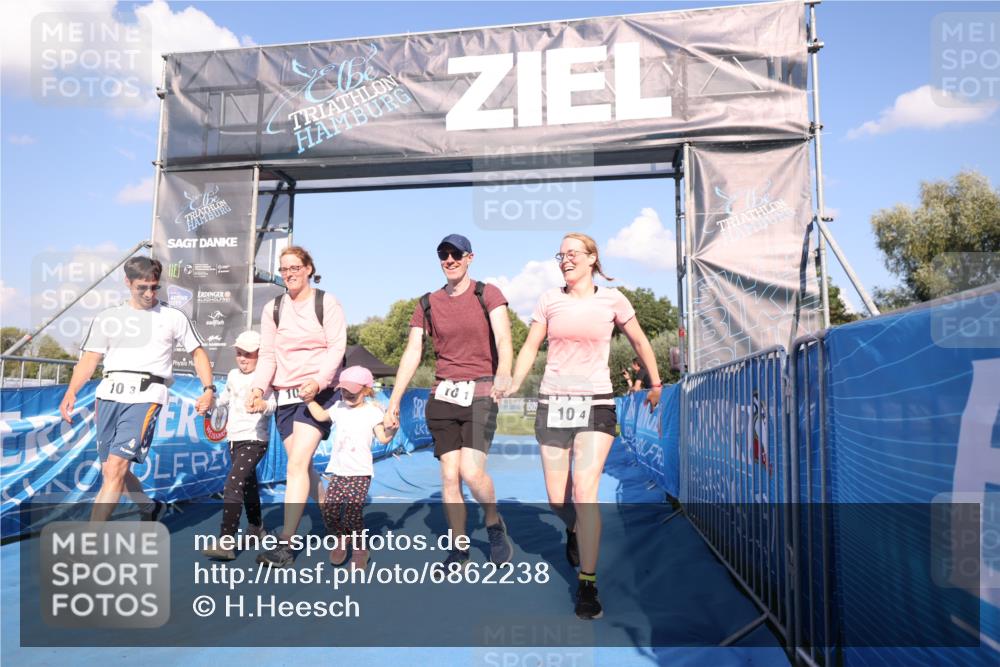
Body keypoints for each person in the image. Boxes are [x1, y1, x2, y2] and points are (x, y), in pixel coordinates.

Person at [505, 233, 662, 620]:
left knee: (584, 490)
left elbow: (639, 341)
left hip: (595, 402)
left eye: (573, 253)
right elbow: (530, 346)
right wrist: (513, 380)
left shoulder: (613, 300)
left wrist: (656, 382)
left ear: (592, 259)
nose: (565, 260)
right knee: (558, 500)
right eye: (560, 255)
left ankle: (587, 583)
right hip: (554, 403)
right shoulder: (549, 300)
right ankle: (574, 529)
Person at [384, 233, 514, 567]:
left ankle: (493, 522)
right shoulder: (427, 303)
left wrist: (504, 373)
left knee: (471, 472)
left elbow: (504, 338)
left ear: (470, 257)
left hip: (481, 392)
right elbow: (413, 352)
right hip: (442, 395)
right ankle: (459, 546)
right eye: (444, 255)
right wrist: (394, 400)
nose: (450, 260)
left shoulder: (488, 293)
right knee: (449, 476)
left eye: (456, 254)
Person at [59, 256, 216, 522]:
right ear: (127, 282)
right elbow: (89, 359)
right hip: (108, 394)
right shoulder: (108, 317)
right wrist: (71, 391)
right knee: (110, 470)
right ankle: (149, 507)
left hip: (147, 395)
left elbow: (198, 353)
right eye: (142, 287)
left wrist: (208, 389)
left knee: (116, 468)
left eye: (154, 287)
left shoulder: (173, 316)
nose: (149, 293)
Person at [248, 246, 347, 568]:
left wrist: (318, 382)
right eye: (284, 269)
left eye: (294, 267)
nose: (289, 273)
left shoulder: (326, 302)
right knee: (303, 468)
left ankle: (286, 545)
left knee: (296, 465)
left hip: (318, 394)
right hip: (285, 398)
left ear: (308, 269)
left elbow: (337, 348)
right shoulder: (273, 308)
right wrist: (258, 388)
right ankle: (337, 522)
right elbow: (268, 356)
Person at [309, 366, 396, 571]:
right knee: (330, 512)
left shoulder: (373, 411)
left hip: (360, 473)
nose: (347, 394)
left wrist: (392, 429)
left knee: (353, 513)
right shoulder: (338, 407)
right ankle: (342, 537)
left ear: (366, 390)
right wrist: (308, 400)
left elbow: (383, 438)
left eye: (352, 390)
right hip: (338, 472)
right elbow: (321, 416)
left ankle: (360, 550)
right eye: (344, 389)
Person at [202, 330, 276, 560]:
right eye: (239, 353)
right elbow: (223, 401)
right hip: (233, 439)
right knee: (248, 484)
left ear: (260, 355)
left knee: (233, 484)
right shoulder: (233, 375)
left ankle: (226, 542)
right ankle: (256, 527)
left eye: (249, 354)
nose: (243, 358)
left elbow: (273, 405)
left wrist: (263, 405)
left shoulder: (265, 377)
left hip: (255, 439)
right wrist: (209, 402)